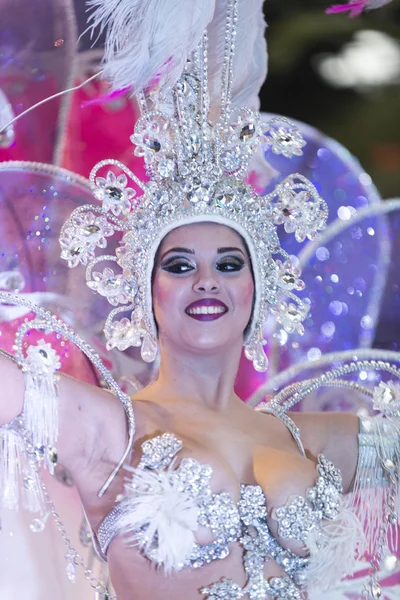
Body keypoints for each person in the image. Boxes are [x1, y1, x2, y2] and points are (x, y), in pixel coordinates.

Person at [0, 1, 399, 599]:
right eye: (180, 265)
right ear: (145, 290)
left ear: (258, 287)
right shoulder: (110, 430)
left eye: (229, 264)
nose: (206, 281)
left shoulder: (313, 439)